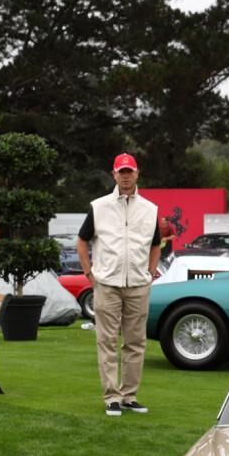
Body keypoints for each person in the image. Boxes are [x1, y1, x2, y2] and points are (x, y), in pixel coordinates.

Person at [76, 153, 161, 416]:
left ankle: (129, 396)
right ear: (114, 175)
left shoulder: (150, 209)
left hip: (137, 283)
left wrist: (150, 270)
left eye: (129, 172)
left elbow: (155, 243)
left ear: (137, 174)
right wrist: (89, 273)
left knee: (136, 342)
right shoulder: (99, 206)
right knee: (107, 341)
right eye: (121, 172)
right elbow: (82, 240)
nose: (125, 176)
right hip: (107, 283)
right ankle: (111, 397)